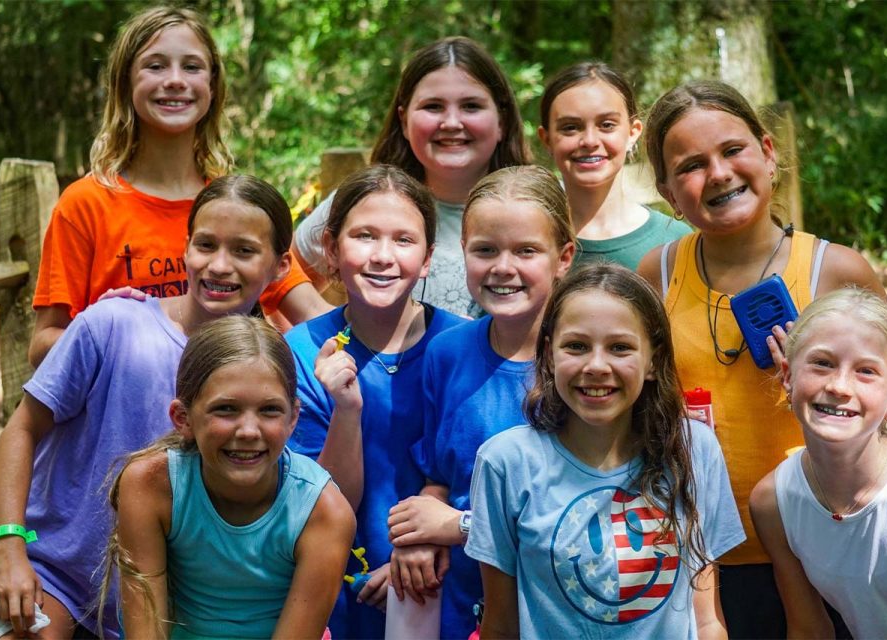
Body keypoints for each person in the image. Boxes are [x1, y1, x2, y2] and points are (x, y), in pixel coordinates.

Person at [0, 175, 294, 638]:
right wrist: (10, 544)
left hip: (171, 598)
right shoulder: (113, 323)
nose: (220, 266)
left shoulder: (273, 370)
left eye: (245, 251)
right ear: (185, 247)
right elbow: (23, 429)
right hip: (57, 573)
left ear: (280, 265)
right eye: (206, 245)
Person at [636, 80, 887, 638]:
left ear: (768, 154)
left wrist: (825, 384)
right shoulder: (655, 275)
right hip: (699, 555)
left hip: (827, 545)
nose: (719, 174)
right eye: (691, 166)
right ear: (667, 191)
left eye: (733, 150)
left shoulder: (837, 271)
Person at [29, 5, 328, 367]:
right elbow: (43, 344)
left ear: (213, 85)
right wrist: (111, 332)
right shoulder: (85, 204)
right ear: (125, 82)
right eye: (155, 66)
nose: (174, 80)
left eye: (191, 66)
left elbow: (314, 315)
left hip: (228, 412)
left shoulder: (233, 204)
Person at [464, 263, 744, 637]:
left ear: (653, 360)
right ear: (548, 354)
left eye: (620, 348)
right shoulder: (505, 463)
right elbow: (500, 625)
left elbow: (707, 617)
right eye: (576, 346)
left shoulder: (694, 448)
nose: (597, 366)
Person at [387, 165, 575, 638]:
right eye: (485, 250)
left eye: (526, 251)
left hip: (560, 606)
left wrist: (459, 526)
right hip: (465, 603)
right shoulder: (446, 352)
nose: (503, 267)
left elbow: (579, 508)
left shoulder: (584, 364)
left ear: (564, 256)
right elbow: (440, 475)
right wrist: (416, 537)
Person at [285, 165, 466, 638]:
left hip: (449, 589)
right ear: (330, 248)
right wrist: (346, 409)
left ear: (428, 258)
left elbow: (479, 477)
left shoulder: (465, 345)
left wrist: (423, 541)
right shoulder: (301, 353)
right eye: (364, 236)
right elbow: (316, 501)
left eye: (404, 241)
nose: (383, 256)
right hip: (335, 597)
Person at [104, 315, 356, 638]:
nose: (249, 431)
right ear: (183, 418)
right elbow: (146, 631)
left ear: (293, 417)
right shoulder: (151, 485)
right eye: (226, 409)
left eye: (269, 410)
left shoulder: (323, 512)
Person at [293, 36, 531, 317]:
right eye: (433, 107)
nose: (452, 123)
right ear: (404, 121)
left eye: (471, 106)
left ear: (501, 121)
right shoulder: (363, 202)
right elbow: (280, 270)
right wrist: (322, 326)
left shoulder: (539, 208)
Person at [751, 289, 887, 638]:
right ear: (788, 375)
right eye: (822, 363)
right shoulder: (774, 501)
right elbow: (808, 630)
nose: (838, 386)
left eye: (866, 371)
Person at [538, 62, 688, 270]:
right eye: (571, 128)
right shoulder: (525, 239)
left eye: (607, 125)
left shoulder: (674, 242)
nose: (590, 141)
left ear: (633, 132)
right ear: (547, 139)